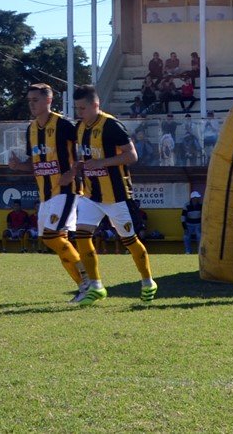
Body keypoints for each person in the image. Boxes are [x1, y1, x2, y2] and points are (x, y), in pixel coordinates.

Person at [71, 84, 157, 304]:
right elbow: (89, 156)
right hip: (91, 194)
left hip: (116, 195)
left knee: (129, 240)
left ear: (95, 105)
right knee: (81, 236)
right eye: (77, 108)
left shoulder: (111, 126)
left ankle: (148, 281)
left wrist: (102, 162)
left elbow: (132, 156)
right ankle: (96, 286)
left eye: (82, 108)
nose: (79, 113)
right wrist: (81, 165)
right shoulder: (80, 127)